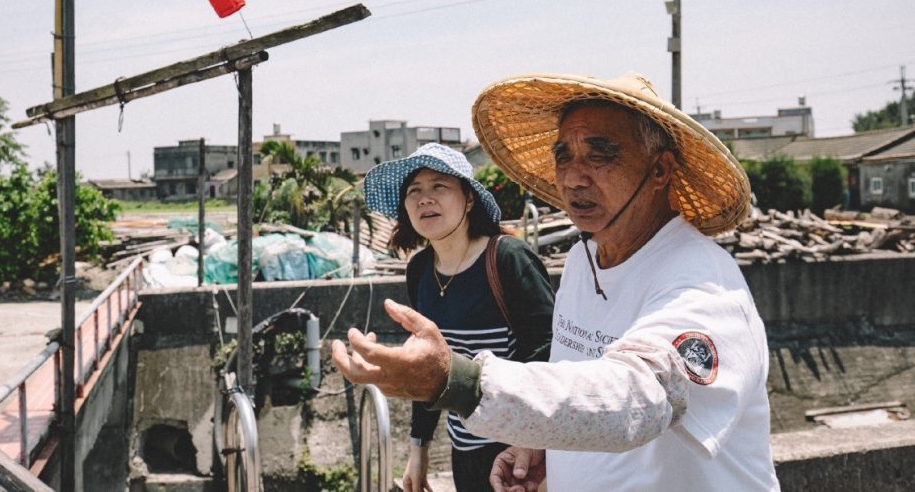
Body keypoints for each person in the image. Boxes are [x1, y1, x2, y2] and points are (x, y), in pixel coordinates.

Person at [333, 74, 780, 491]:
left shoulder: (702, 284)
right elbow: (565, 376)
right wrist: (544, 447)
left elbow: (641, 399)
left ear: (659, 170)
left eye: (601, 152)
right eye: (563, 155)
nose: (572, 175)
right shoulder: (584, 263)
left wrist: (457, 381)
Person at [362, 143, 554, 492]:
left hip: (519, 454)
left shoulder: (508, 257)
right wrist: (418, 448)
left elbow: (546, 351)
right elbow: (430, 365)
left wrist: (531, 443)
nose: (424, 199)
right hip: (463, 447)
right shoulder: (420, 270)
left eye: (439, 186)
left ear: (468, 200)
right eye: (414, 191)